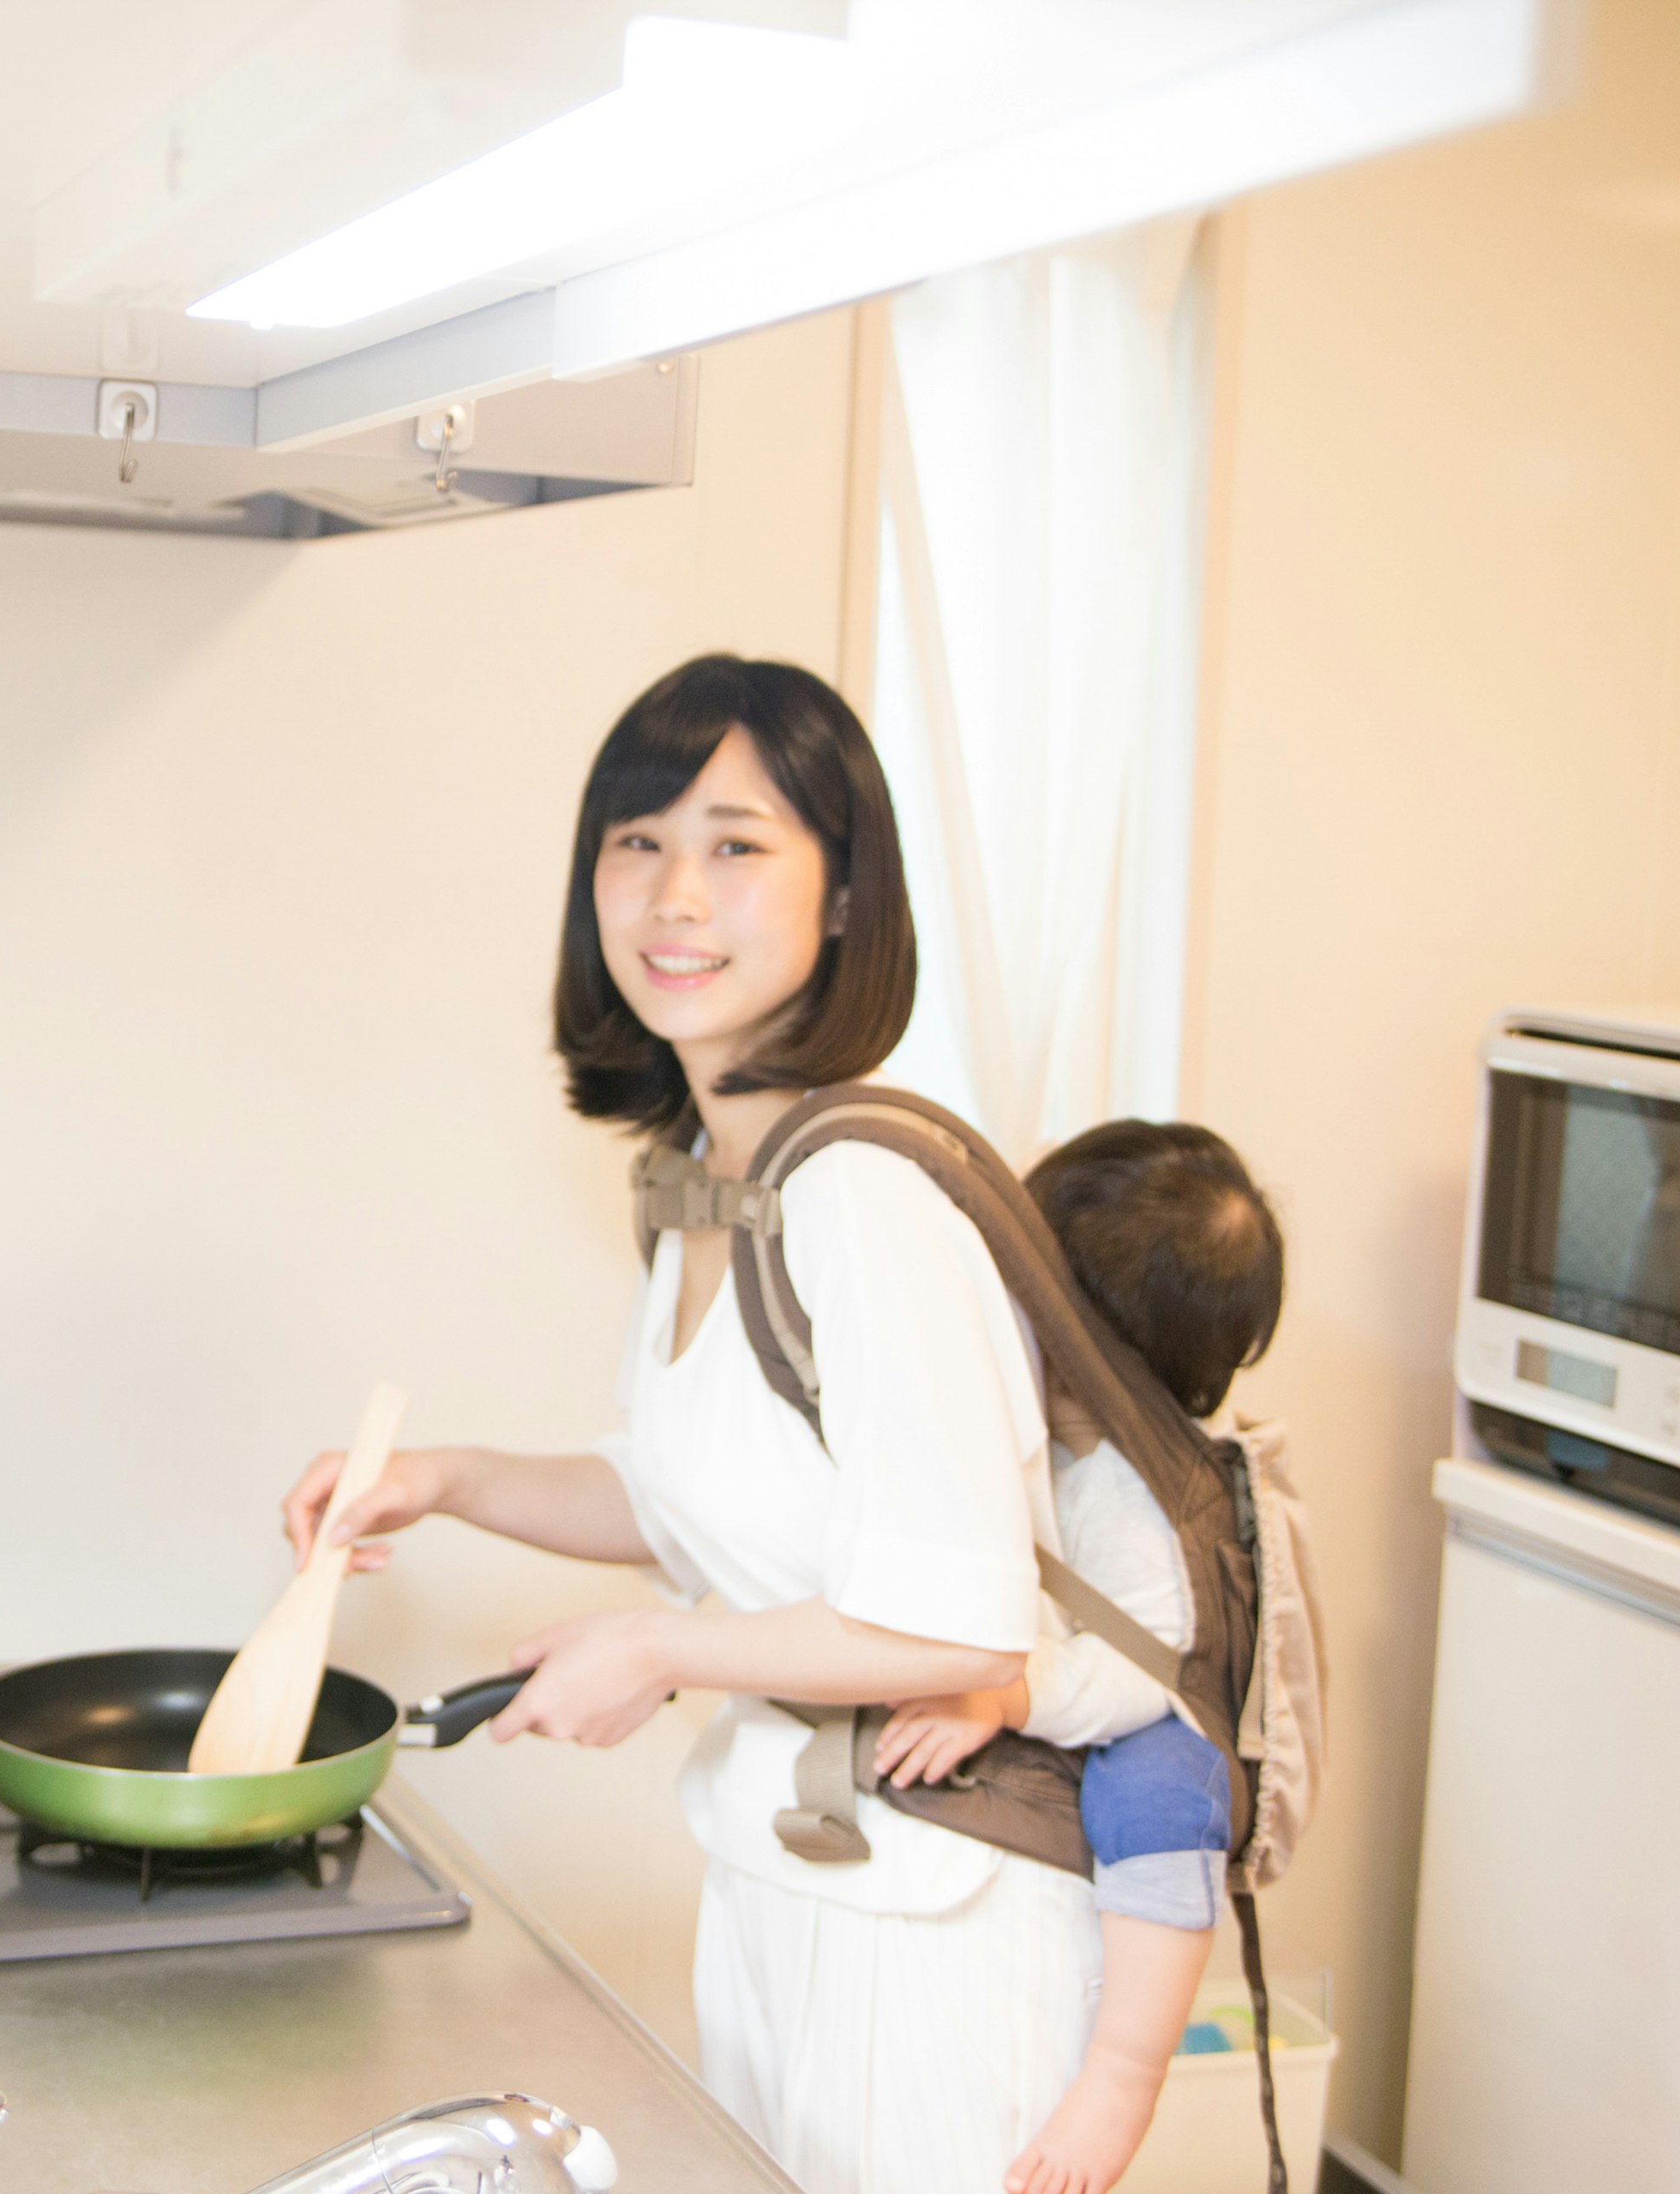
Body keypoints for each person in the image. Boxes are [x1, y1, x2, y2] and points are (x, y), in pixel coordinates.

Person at [280, 655, 1097, 2194]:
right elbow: (685, 1498)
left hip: (938, 1932)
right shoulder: (710, 1180)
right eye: (635, 841)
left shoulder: (863, 1197)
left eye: (737, 845)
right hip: (793, 1880)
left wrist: (655, 1651)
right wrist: (441, 1480)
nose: (672, 896)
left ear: (846, 896)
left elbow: (962, 1634)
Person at [870, 1119, 1286, 2194]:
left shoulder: (1143, 1496)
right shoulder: (1021, 1416)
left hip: (1153, 1710)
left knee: (1161, 1796)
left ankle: (1125, 2074)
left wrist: (1006, 1696)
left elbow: (1140, 1668)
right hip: (1059, 1661)